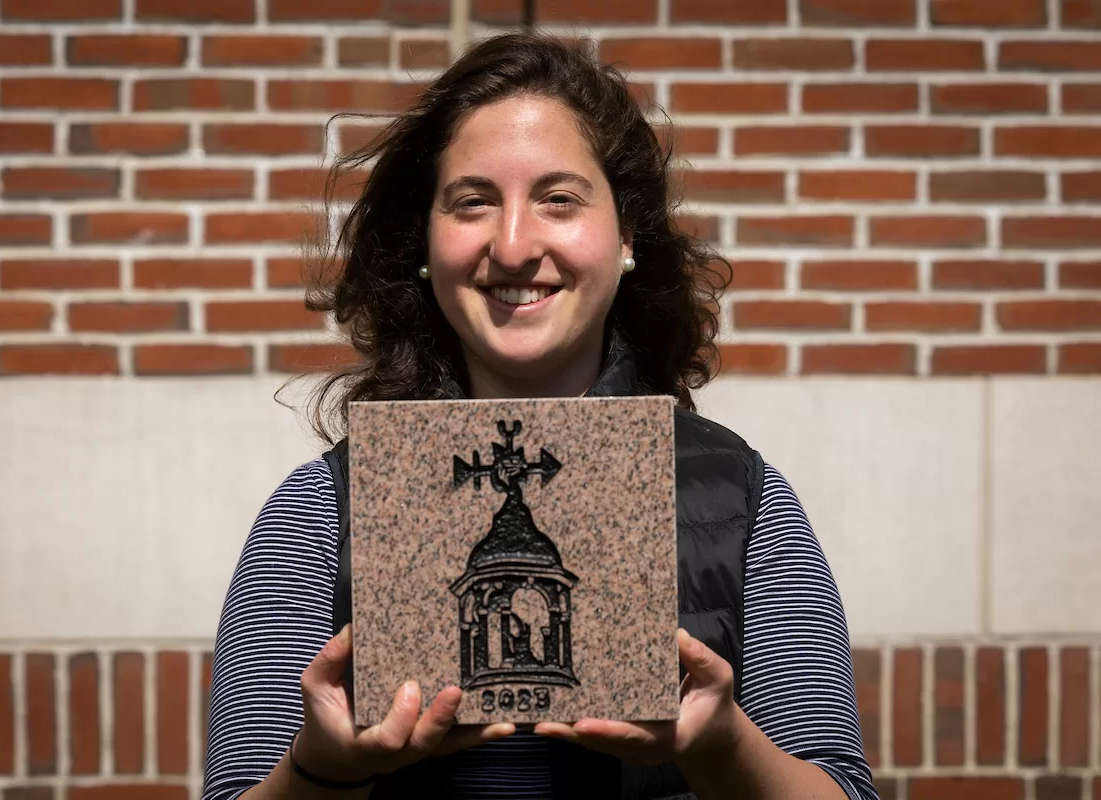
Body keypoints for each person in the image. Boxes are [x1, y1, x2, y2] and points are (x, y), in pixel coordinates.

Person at [202, 31, 879, 800]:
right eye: (472, 202)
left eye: (559, 200)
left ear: (625, 236)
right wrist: (322, 771)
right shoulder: (321, 509)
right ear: (425, 241)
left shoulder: (742, 499)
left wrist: (723, 745)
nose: (515, 244)